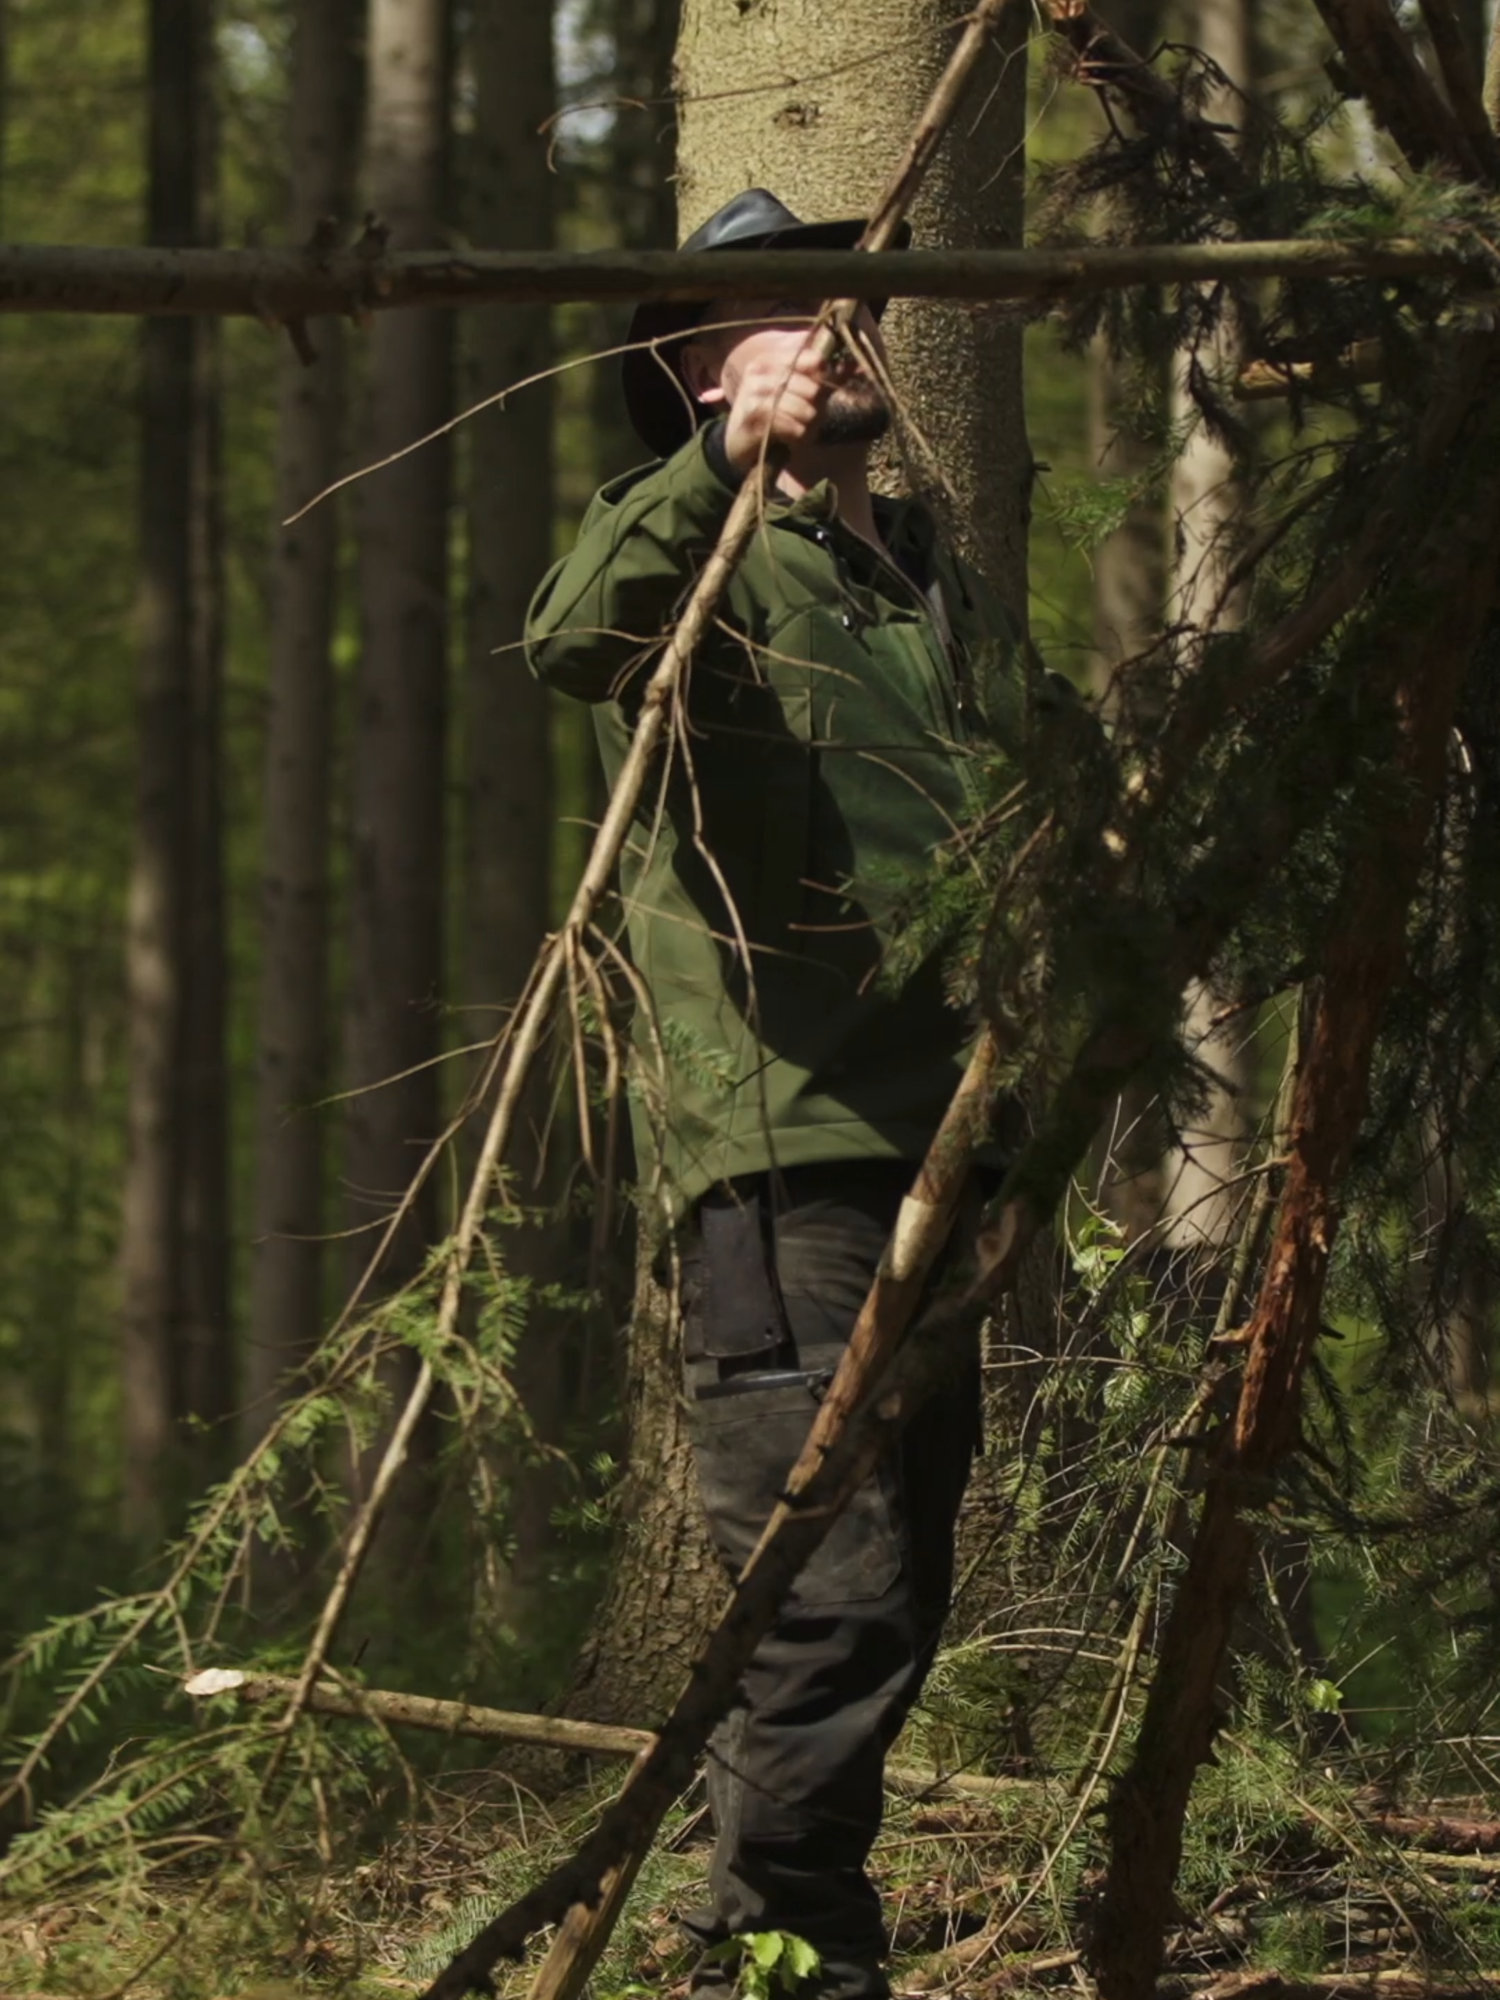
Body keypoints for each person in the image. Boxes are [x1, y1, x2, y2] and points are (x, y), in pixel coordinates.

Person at [525, 189, 1030, 2000]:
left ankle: (792, 1928)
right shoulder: (683, 568)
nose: (821, 334)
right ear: (686, 367)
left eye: (835, 301)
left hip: (953, 1143)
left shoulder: (932, 583)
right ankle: (779, 1951)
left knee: (902, 1586)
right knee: (819, 1593)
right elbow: (568, 640)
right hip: (782, 1161)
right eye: (762, 318)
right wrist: (716, 467)